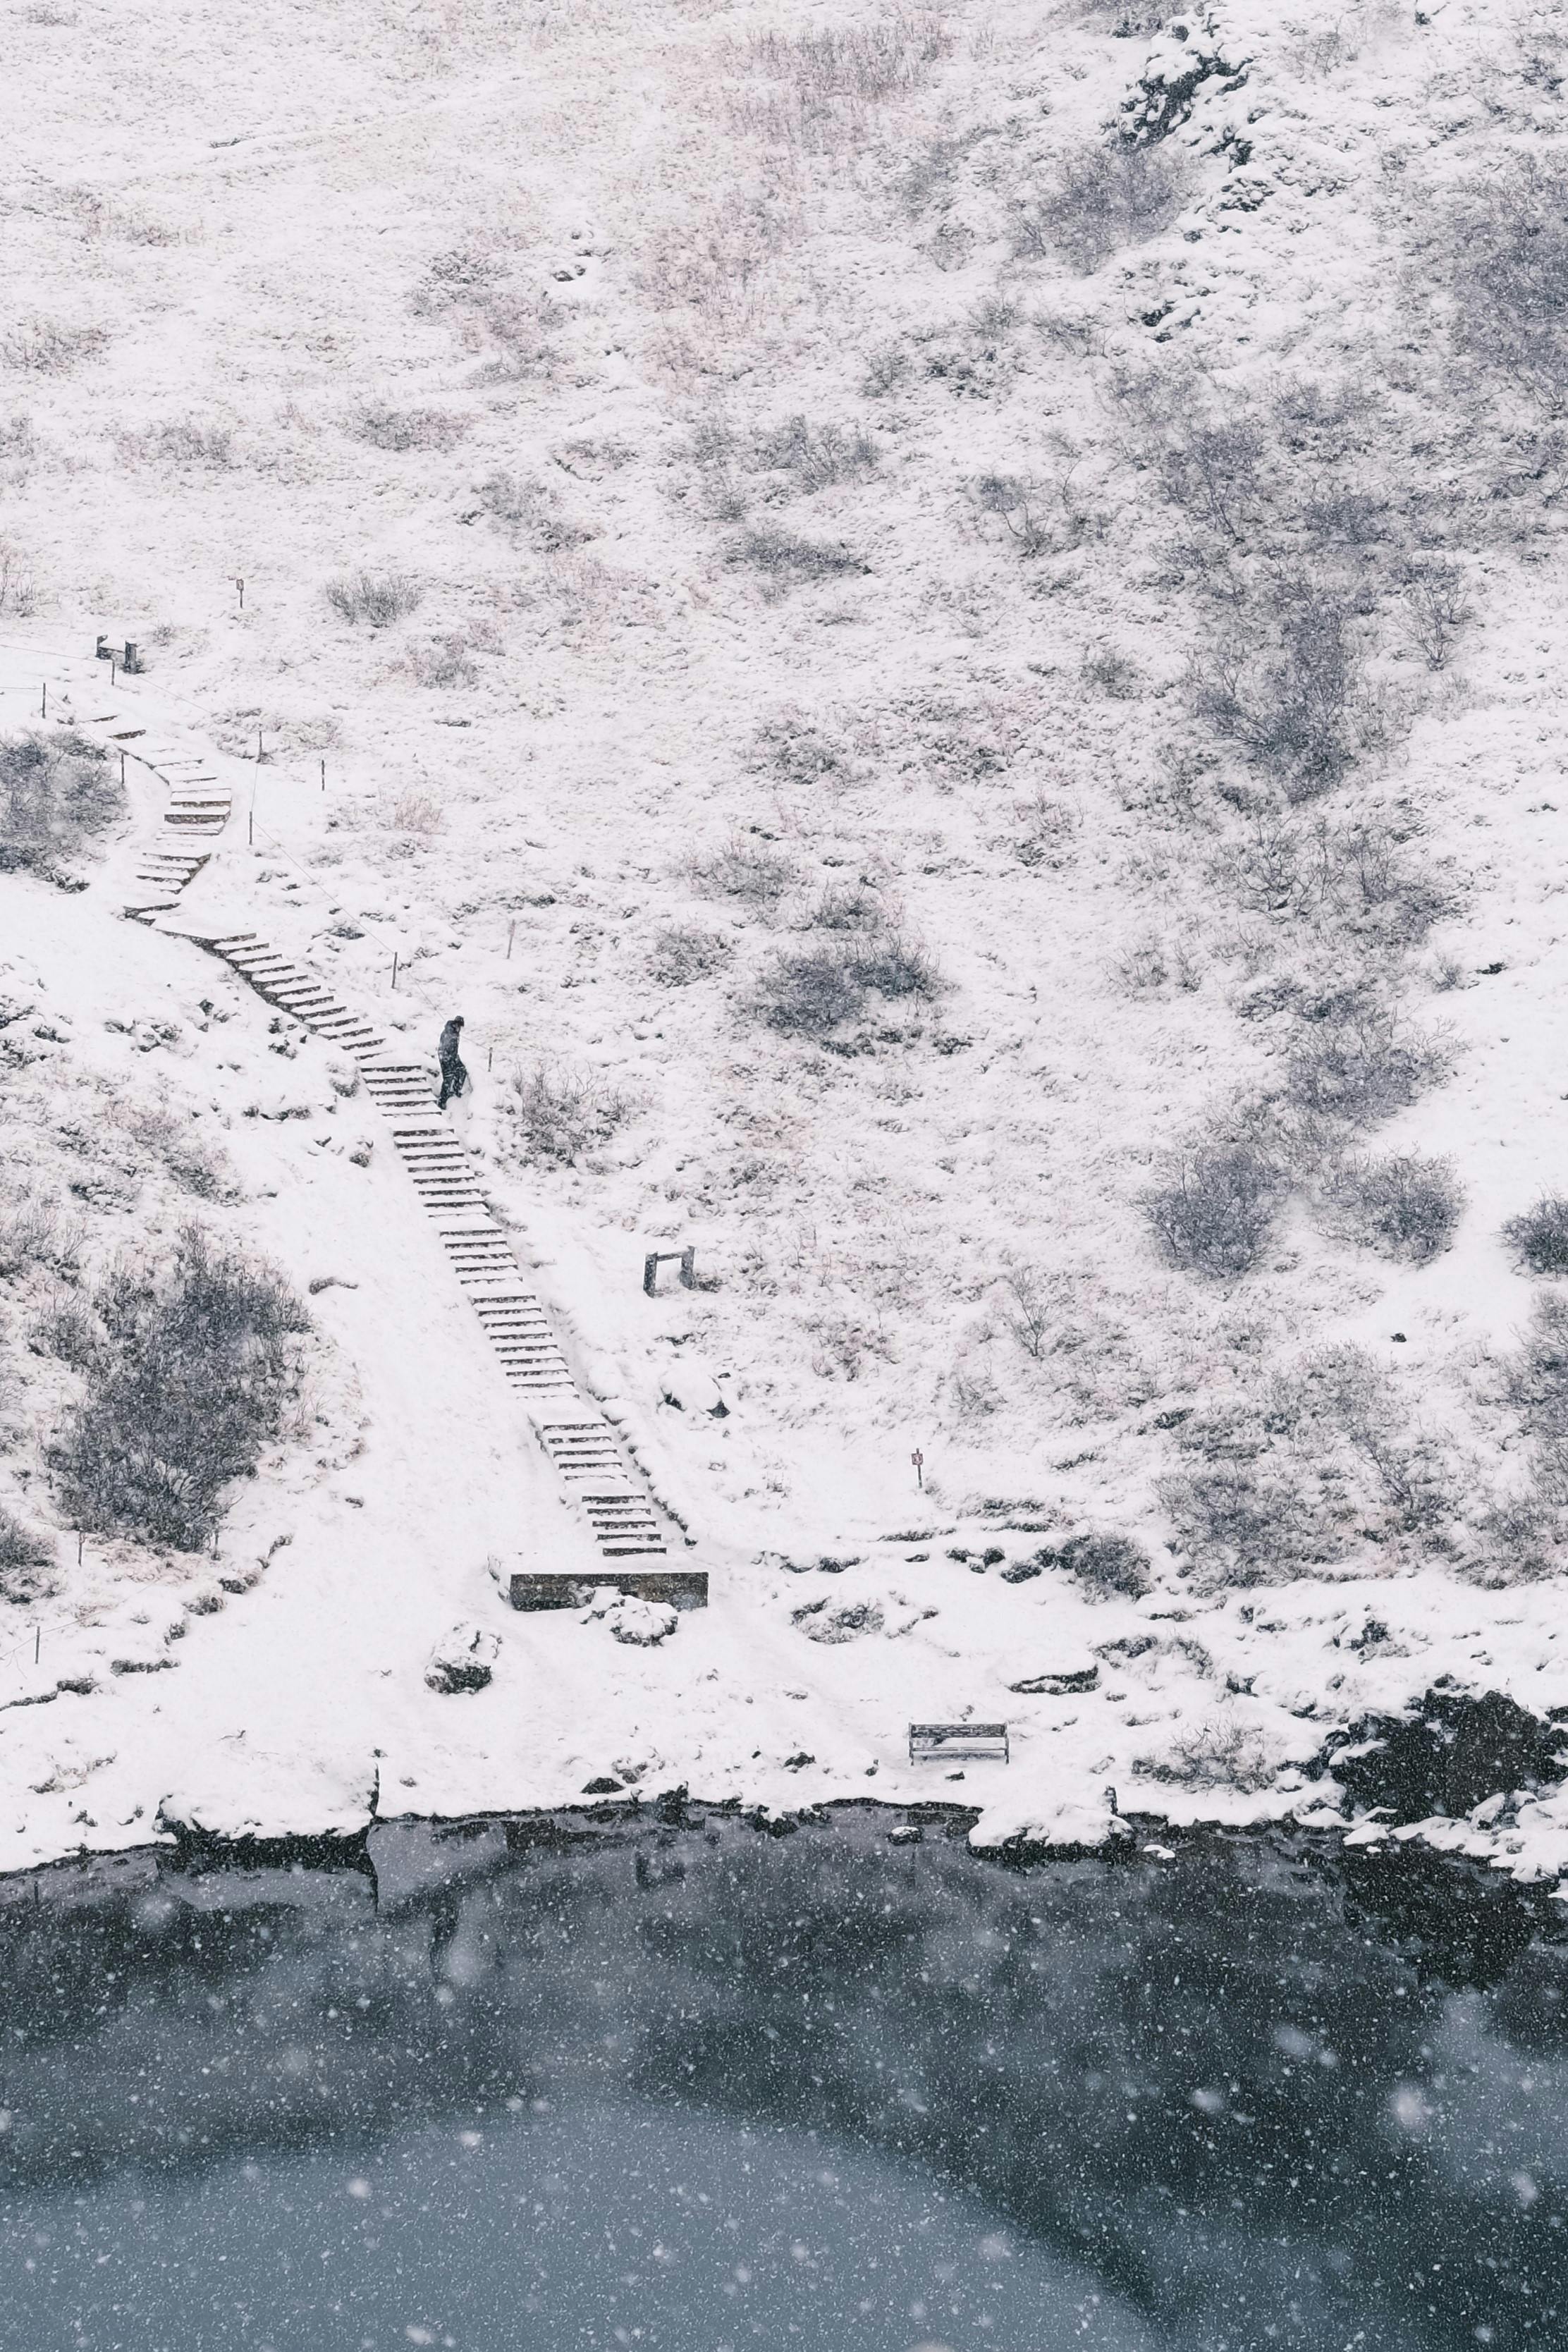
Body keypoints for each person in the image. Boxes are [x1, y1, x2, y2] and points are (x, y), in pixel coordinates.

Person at [436, 1014, 468, 1109]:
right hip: (446, 1058)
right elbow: (446, 1047)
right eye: (459, 1026)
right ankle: (442, 1100)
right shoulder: (450, 1033)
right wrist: (449, 1060)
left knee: (462, 1070)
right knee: (448, 1078)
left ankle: (456, 1090)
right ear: (456, 1024)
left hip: (452, 1057)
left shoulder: (454, 1032)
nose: (460, 1029)